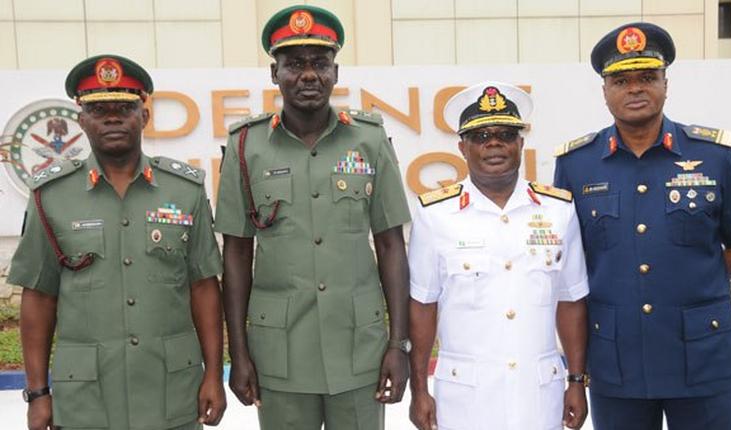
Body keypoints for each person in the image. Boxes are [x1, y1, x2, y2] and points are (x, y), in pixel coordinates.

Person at [553, 22, 731, 430]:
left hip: (702, 356)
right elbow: (571, 261)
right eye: (621, 80)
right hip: (618, 360)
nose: (635, 89)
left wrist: (694, 283)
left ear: (666, 84)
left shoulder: (715, 156)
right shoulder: (577, 165)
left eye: (647, 77)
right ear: (605, 92)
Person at [214, 5, 412, 429]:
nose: (308, 75)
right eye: (295, 64)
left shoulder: (370, 139)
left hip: (359, 349)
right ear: (274, 73)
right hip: (280, 354)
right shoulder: (246, 147)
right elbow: (235, 254)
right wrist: (240, 353)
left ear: (335, 73)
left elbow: (392, 244)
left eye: (320, 64)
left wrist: (399, 343)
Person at [10, 54, 226, 430]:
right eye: (98, 109)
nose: (112, 118)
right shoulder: (52, 195)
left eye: (124, 107)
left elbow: (203, 286)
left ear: (143, 116)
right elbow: (39, 296)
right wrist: (38, 393)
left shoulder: (184, 189)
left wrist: (213, 374)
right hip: (85, 402)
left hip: (170, 393)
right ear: (81, 120)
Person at [408, 82, 590, 430]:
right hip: (466, 401)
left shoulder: (558, 210)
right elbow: (422, 305)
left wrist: (577, 381)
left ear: (521, 144)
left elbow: (571, 300)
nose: (494, 143)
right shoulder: (434, 214)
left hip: (538, 397)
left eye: (505, 134)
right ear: (462, 147)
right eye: (480, 136)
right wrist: (419, 389)